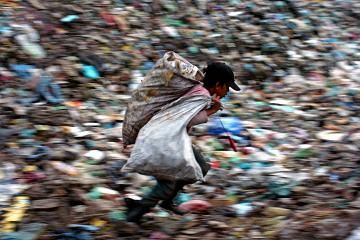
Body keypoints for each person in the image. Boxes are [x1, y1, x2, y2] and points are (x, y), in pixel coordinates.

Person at [125, 62, 241, 222]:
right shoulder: (200, 95)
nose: (227, 92)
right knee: (167, 183)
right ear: (218, 84)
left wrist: (210, 108)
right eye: (227, 87)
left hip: (173, 138)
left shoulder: (200, 91)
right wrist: (212, 110)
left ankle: (166, 201)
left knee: (201, 166)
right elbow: (187, 119)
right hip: (163, 141)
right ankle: (135, 213)